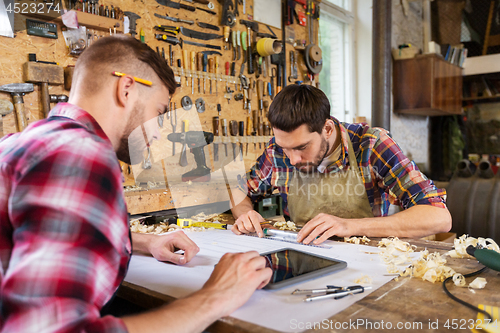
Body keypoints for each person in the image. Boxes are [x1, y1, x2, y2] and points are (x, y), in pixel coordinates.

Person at [0, 35, 271, 333]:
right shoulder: (81, 155)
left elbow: (36, 230)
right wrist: (215, 297)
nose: (158, 133)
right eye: (158, 112)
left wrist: (139, 242)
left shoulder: (17, 144)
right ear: (126, 89)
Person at [231, 84, 452, 245]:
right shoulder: (277, 150)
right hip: (302, 254)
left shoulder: (371, 144)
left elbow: (438, 217)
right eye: (285, 148)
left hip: (368, 258)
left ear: (327, 129)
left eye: (301, 148)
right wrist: (245, 214)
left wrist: (349, 226)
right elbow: (238, 190)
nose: (292, 159)